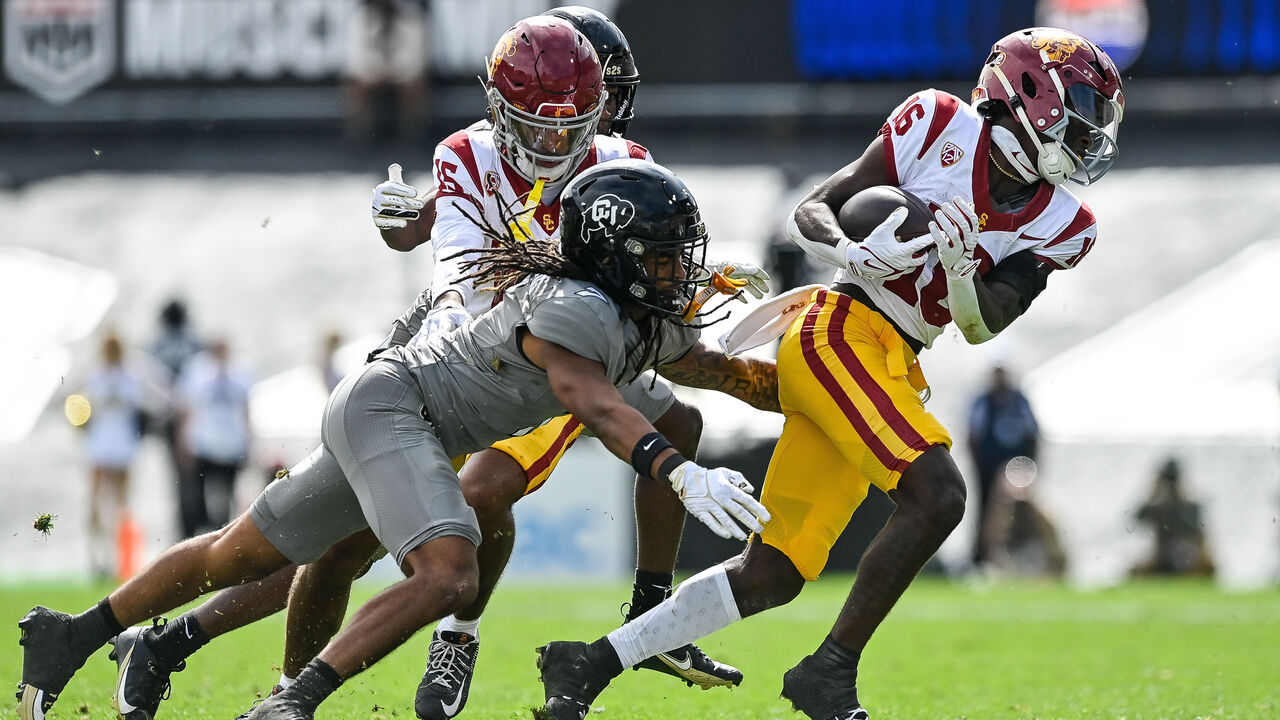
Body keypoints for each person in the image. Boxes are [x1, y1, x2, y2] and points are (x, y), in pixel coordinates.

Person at [100, 13, 770, 720]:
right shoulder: (471, 155)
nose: (561, 140)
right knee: (341, 539)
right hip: (467, 344)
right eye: (550, 121)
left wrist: (704, 273)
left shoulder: (619, 160)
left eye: (584, 114)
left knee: (635, 432)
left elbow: (631, 268)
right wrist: (413, 219)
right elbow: (472, 270)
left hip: (565, 340)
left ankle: (616, 614)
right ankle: (252, 672)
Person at [534, 27, 1125, 720]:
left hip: (895, 357)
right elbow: (813, 208)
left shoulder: (1066, 222)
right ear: (1027, 96)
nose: (1090, 129)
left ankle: (587, 663)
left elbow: (980, 323)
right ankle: (829, 673)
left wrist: (962, 277)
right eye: (1080, 105)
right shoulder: (937, 121)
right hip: (837, 328)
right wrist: (850, 247)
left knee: (773, 573)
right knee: (938, 493)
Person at [74, 333, 152, 579]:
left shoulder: (131, 375)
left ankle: (123, 558)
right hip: (99, 446)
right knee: (96, 503)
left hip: (122, 447)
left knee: (122, 504)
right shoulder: (94, 375)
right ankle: (96, 557)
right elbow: (82, 409)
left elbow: (139, 405)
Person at [173, 338, 254, 537]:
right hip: (204, 445)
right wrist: (183, 442)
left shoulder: (241, 372)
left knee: (226, 496)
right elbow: (187, 409)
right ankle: (201, 536)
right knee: (199, 498)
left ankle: (223, 536)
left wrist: (249, 441)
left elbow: (245, 410)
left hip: (231, 446)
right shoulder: (197, 370)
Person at [966, 363, 1039, 568]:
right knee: (985, 510)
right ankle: (981, 557)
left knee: (1020, 510)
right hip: (989, 467)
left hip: (1017, 467)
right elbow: (973, 434)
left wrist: (1031, 466)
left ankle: (1021, 552)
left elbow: (1032, 433)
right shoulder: (983, 401)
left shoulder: (1019, 400)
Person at [343, 0, 432, 143]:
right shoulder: (360, 18)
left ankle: (413, 134)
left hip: (402, 73)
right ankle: (360, 135)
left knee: (418, 83)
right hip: (372, 72)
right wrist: (376, 72)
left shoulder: (411, 17)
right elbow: (356, 60)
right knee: (355, 85)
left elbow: (416, 59)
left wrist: (394, 72)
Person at [1132, 457, 1214, 577]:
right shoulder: (1158, 507)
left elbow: (1200, 536)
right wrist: (1153, 494)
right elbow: (1137, 518)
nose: (1171, 487)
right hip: (1162, 559)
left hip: (1189, 560)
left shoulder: (1190, 507)